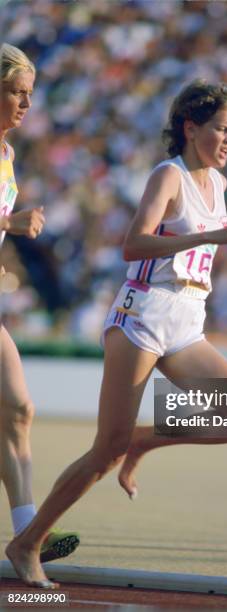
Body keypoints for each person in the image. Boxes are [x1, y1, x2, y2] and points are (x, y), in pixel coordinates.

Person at [6, 79, 227, 588]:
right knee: (105, 452)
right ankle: (27, 542)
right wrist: (212, 235)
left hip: (189, 318)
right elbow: (133, 245)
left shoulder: (221, 183)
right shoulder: (168, 176)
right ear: (191, 128)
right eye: (222, 129)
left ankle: (145, 442)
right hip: (142, 314)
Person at [0, 43, 80, 570]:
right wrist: (9, 224)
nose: (26, 103)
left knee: (18, 409)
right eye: (15, 92)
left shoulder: (6, 156)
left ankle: (26, 537)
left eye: (30, 94)